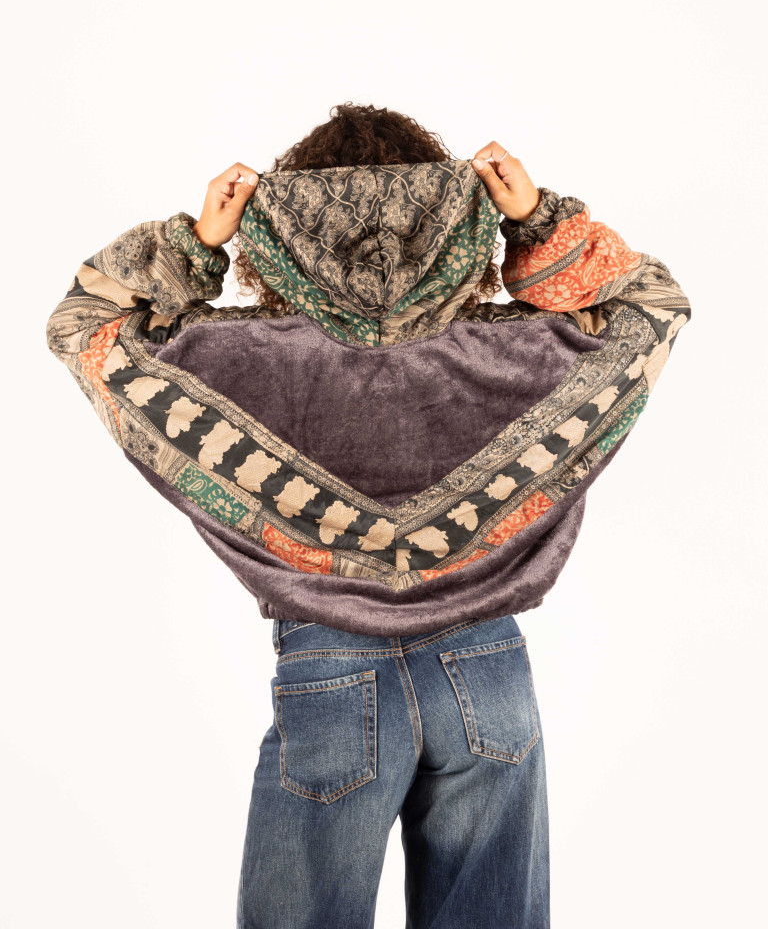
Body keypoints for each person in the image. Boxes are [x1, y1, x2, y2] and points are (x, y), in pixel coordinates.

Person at [45, 102, 692, 929]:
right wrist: (536, 222)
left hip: (330, 670)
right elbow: (649, 305)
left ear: (282, 227)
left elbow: (87, 326)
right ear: (456, 219)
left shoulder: (229, 359)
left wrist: (197, 244)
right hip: (487, 671)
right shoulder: (532, 352)